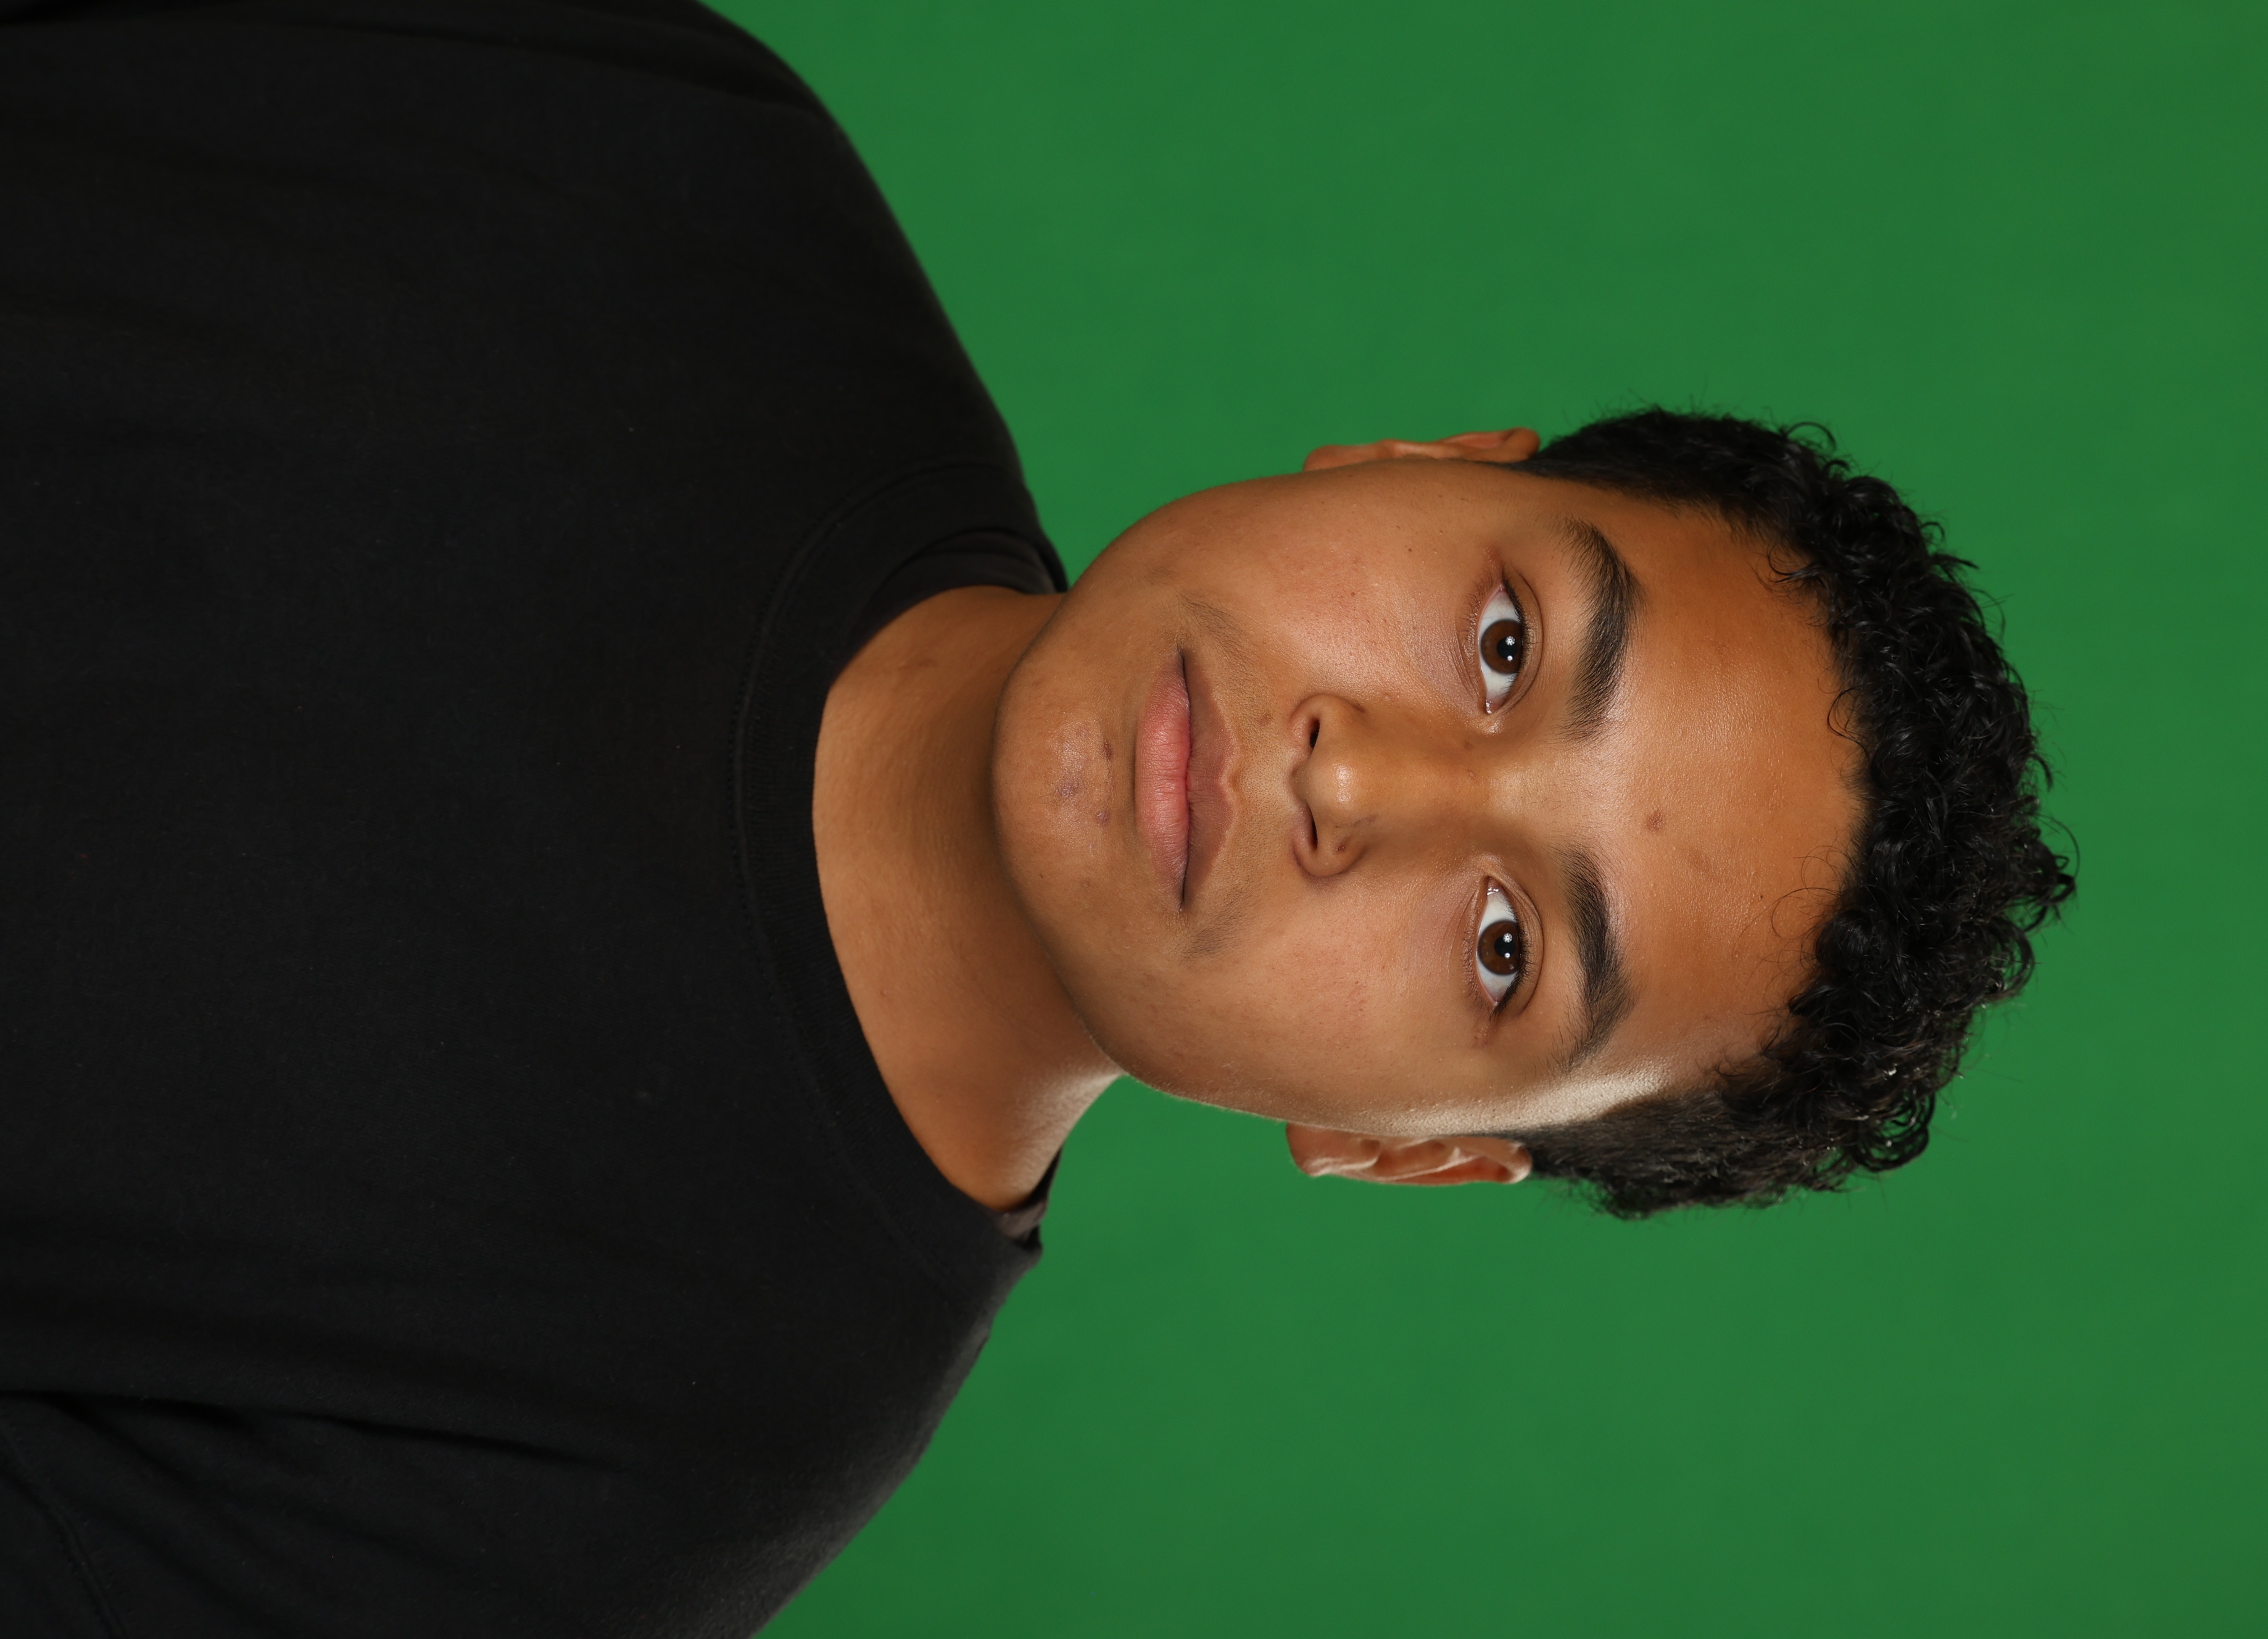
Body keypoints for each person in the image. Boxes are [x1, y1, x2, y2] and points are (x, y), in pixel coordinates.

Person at [0, 0, 2072, 1634]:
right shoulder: (676, 161)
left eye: (1508, 944)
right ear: (1416, 458)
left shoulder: (626, 1489)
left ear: (1407, 1147)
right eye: (1508, 643)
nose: (1359, 777)